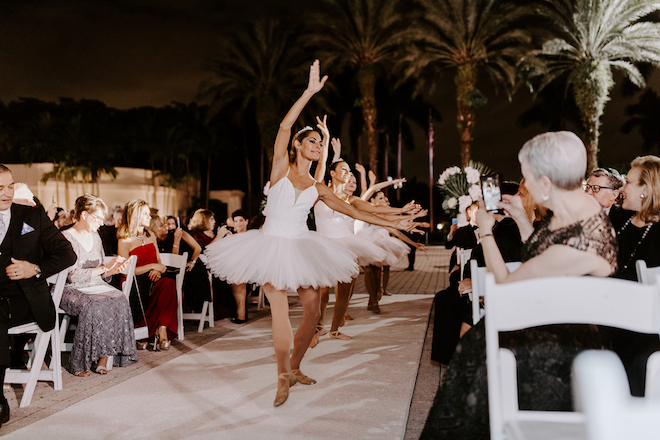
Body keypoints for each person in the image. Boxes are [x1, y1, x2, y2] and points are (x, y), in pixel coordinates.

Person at [203, 60, 420, 407]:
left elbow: (353, 209)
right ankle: (280, 378)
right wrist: (309, 92)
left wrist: (396, 221)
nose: (318, 144)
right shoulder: (279, 169)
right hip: (270, 246)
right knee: (279, 312)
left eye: (320, 142)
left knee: (314, 313)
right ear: (298, 146)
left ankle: (295, 366)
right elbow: (286, 125)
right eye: (313, 141)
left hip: (303, 248)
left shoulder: (318, 186)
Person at [421, 131, 618, 439]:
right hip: (554, 320)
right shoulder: (577, 213)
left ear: (546, 181)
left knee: (477, 356)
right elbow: (542, 253)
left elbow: (509, 283)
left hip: (562, 345)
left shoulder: (581, 237)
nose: (524, 185)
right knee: (477, 342)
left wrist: (486, 232)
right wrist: (522, 220)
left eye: (527, 177)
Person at [0, 164, 77, 427]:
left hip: (26, 299)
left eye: (10, 186)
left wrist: (34, 268)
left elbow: (67, 254)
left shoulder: (32, 216)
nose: (6, 193)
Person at [60, 194, 137, 376]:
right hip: (70, 287)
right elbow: (73, 275)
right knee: (93, 304)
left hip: (94, 285)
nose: (101, 223)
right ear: (84, 215)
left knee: (120, 298)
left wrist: (114, 269)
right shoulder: (65, 238)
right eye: (98, 218)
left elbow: (102, 272)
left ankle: (106, 355)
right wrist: (104, 268)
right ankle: (80, 362)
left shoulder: (96, 237)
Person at [608, 155, 660, 396]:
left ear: (645, 190)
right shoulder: (619, 220)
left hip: (641, 328)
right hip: (608, 316)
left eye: (628, 182)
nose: (622, 187)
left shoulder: (657, 234)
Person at [118, 200, 178, 351]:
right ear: (135, 215)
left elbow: (159, 263)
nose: (149, 217)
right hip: (134, 284)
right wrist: (151, 267)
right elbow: (125, 271)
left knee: (169, 283)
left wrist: (158, 270)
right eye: (145, 214)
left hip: (152, 280)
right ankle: (145, 329)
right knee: (163, 288)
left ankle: (161, 328)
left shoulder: (151, 235)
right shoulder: (124, 240)